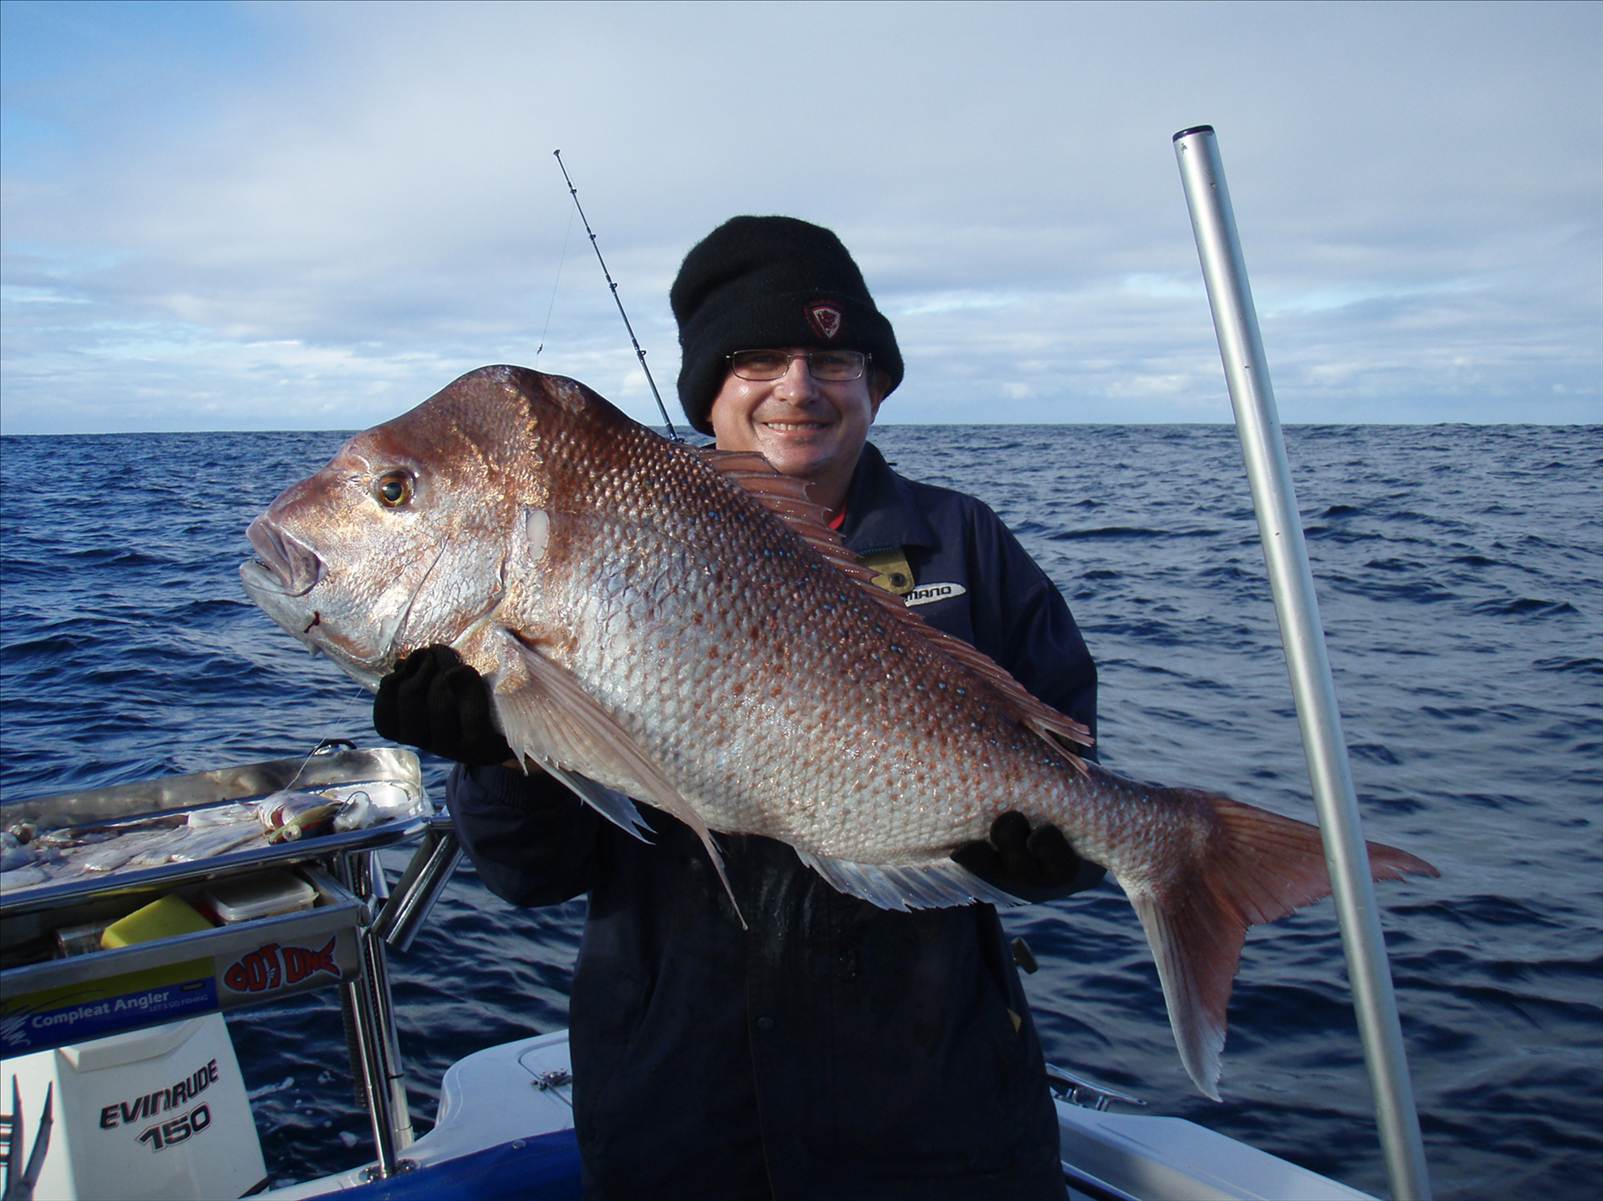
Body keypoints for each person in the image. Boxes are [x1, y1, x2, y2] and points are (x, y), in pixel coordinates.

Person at [375, 216, 1101, 1200]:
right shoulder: (593, 556)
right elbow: (531, 876)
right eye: (757, 357)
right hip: (682, 1122)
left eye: (833, 357)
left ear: (875, 383)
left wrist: (1066, 853)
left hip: (939, 1120)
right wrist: (498, 755)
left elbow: (1075, 772)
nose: (797, 387)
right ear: (708, 390)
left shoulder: (964, 544)